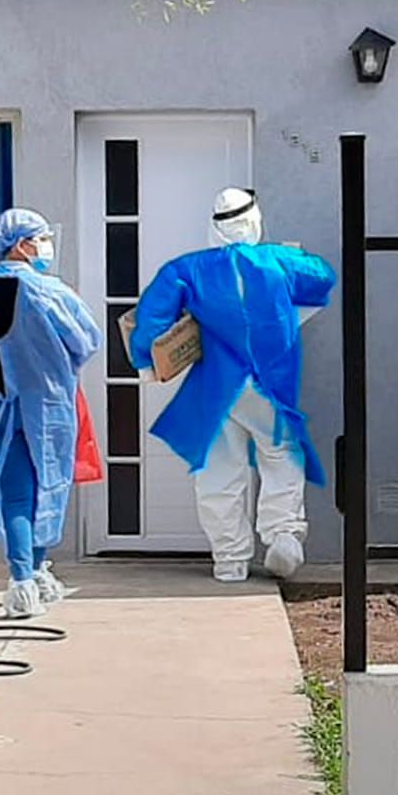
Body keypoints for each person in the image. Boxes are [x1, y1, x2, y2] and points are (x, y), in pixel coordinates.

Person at [130, 188, 336, 583]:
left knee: (219, 471)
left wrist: (146, 363)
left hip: (218, 387)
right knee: (281, 457)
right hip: (271, 384)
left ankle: (229, 559)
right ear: (254, 221)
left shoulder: (185, 269)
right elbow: (322, 276)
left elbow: (152, 320)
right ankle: (283, 536)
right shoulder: (278, 261)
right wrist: (289, 255)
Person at [0, 208, 103, 617]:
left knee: (16, 495)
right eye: (41, 238)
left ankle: (22, 580)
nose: (46, 246)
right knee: (48, 488)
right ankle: (36, 572)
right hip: (48, 406)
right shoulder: (48, 291)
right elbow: (86, 340)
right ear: (21, 245)